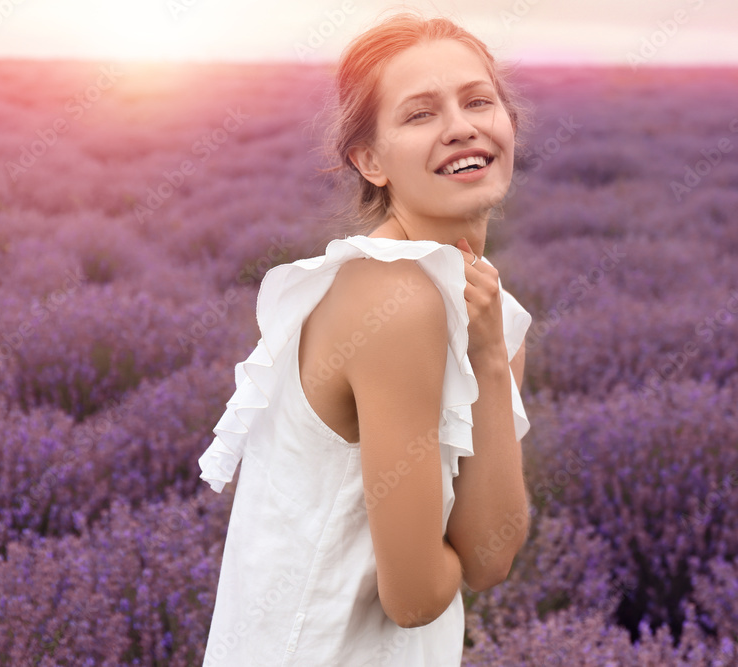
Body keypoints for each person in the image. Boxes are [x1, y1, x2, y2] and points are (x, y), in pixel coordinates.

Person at [198, 10, 534, 665]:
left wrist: (491, 360)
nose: (462, 126)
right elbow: (413, 597)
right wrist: (451, 556)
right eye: (420, 114)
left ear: (509, 122)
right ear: (370, 159)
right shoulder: (392, 300)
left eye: (478, 100)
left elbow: (489, 558)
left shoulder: (492, 313)